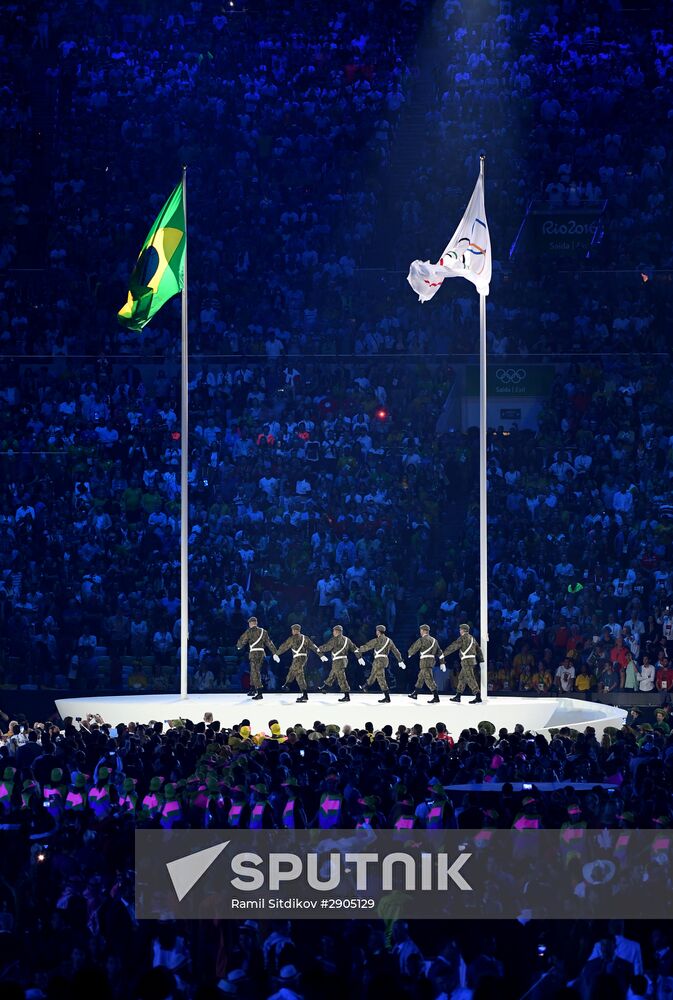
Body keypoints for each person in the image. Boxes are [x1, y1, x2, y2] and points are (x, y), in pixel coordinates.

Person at [357, 625, 405, 703]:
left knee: (378, 676)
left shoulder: (377, 640)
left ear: (378, 632)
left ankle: (367, 686)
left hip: (378, 660)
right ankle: (366, 687)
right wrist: (400, 660)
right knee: (377, 675)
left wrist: (358, 650)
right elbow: (395, 651)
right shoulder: (389, 641)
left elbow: (367, 646)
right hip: (385, 660)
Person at [236, 616, 280, 700]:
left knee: (255, 672)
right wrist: (275, 653)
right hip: (261, 653)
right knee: (254, 671)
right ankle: (252, 689)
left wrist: (239, 646)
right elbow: (269, 643)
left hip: (254, 654)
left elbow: (242, 640)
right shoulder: (264, 632)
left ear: (250, 623)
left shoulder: (249, 631)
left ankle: (259, 692)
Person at [317, 625, 363, 702]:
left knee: (341, 678)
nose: (333, 632)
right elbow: (355, 649)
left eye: (334, 631)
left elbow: (327, 647)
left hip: (338, 661)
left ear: (337, 631)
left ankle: (346, 695)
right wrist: (359, 657)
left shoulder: (334, 640)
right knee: (333, 673)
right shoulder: (347, 640)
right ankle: (325, 687)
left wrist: (319, 649)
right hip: (343, 660)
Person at [276, 624, 320, 702]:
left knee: (296, 672)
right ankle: (290, 687)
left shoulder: (292, 639)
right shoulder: (305, 638)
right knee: (296, 672)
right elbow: (314, 647)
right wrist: (321, 655)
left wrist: (277, 654)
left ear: (294, 630)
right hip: (304, 657)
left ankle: (289, 686)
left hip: (298, 657)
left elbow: (284, 647)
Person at [444, 624, 483, 704]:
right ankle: (458, 696)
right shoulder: (472, 638)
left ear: (463, 630)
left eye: (460, 629)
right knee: (462, 677)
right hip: (471, 661)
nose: (459, 631)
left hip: (467, 661)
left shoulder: (463, 638)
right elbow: (478, 649)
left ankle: (478, 696)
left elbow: (453, 646)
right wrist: (481, 660)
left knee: (470, 678)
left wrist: (443, 654)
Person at [407, 624, 445, 703]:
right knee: (421, 677)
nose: (420, 632)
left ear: (424, 630)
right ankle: (415, 693)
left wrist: (410, 653)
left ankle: (436, 697)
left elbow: (414, 647)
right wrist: (442, 663)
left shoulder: (422, 640)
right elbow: (440, 652)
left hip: (425, 661)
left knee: (429, 678)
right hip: (431, 661)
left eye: (421, 630)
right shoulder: (435, 640)